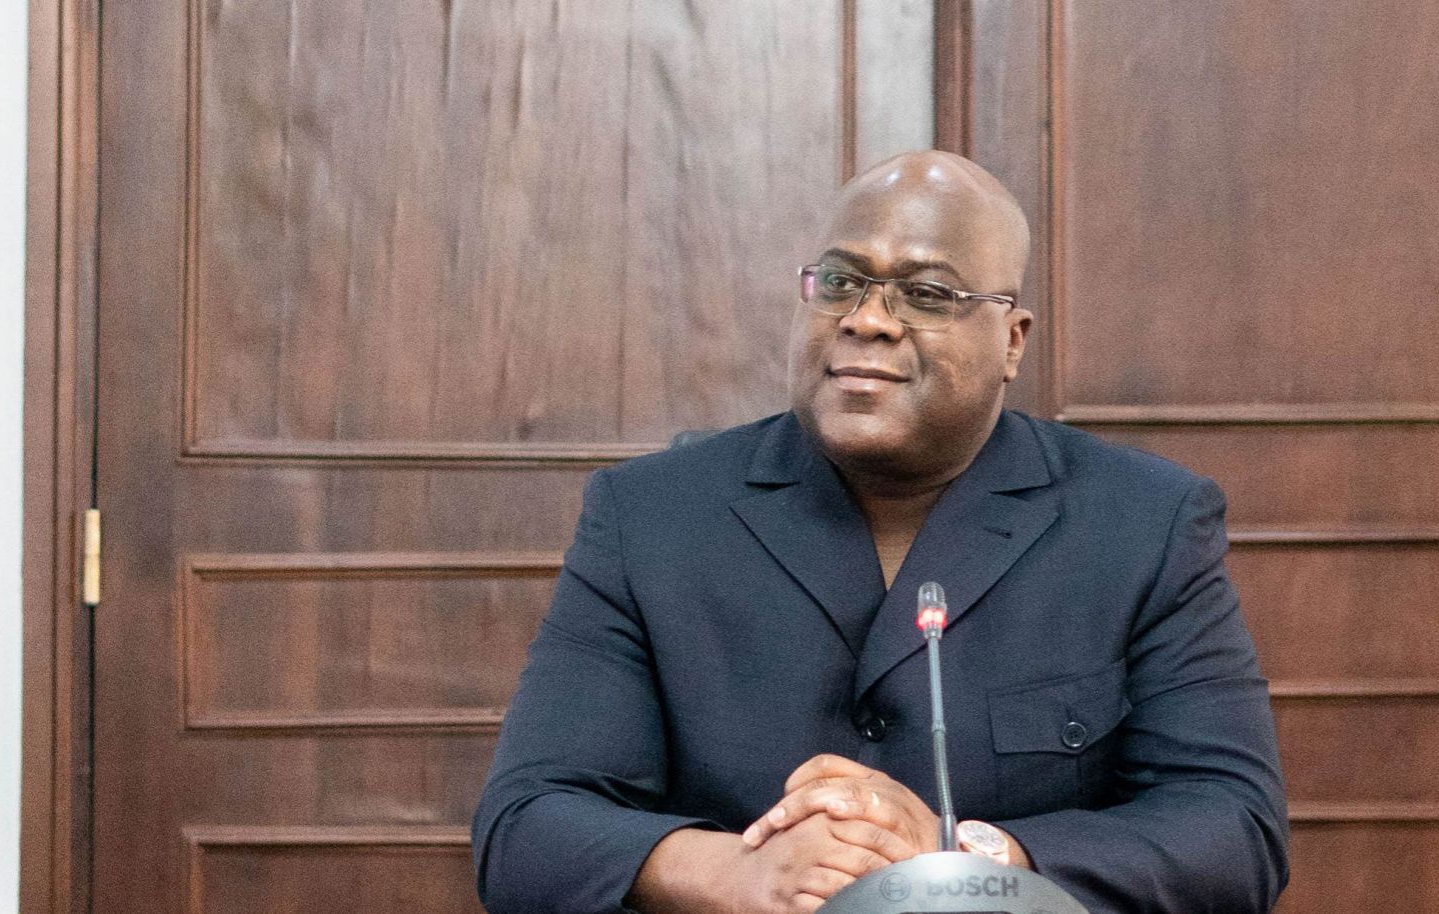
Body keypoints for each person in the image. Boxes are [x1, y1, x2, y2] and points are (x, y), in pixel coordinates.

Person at [471, 150, 1289, 914]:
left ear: (1012, 340)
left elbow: (1233, 828)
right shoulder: (651, 516)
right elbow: (527, 827)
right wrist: (739, 871)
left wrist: (971, 862)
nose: (868, 319)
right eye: (840, 282)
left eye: (927, 293)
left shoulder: (1143, 522)